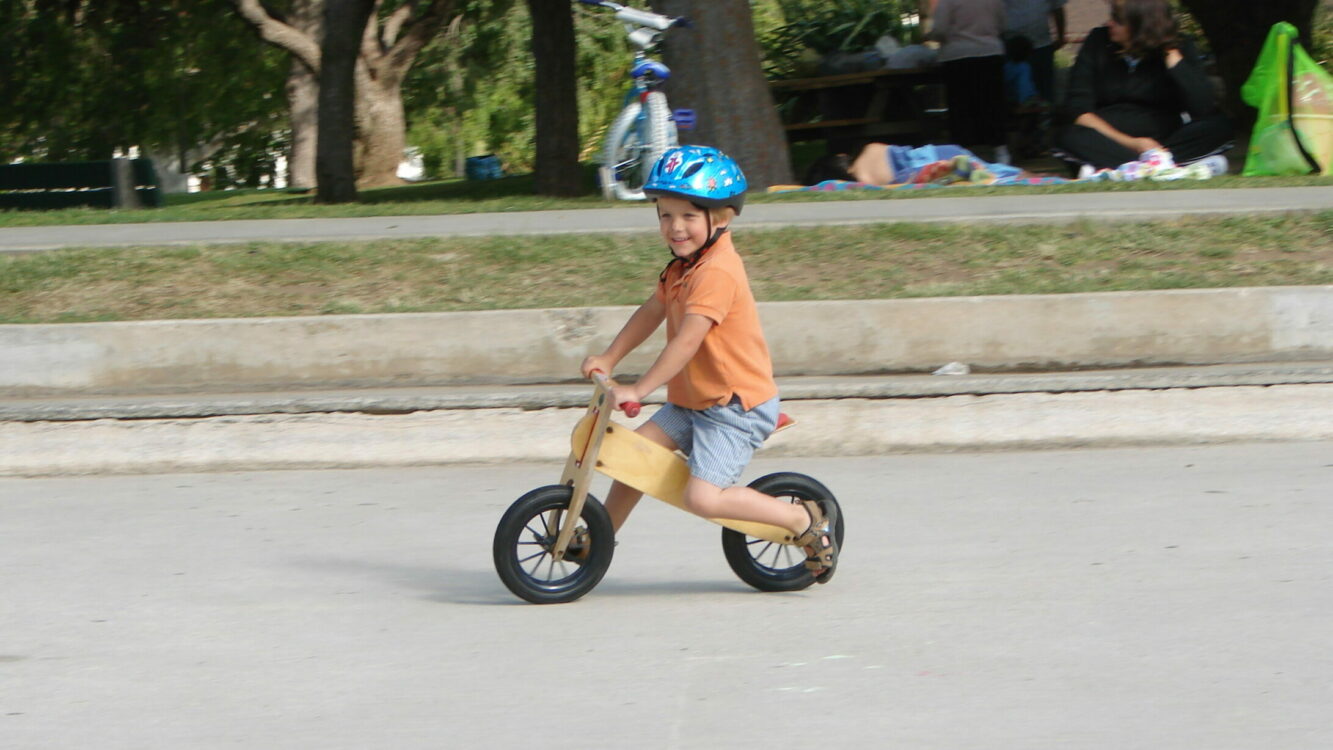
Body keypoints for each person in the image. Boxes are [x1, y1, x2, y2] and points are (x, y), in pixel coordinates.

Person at [578, 145, 839, 582]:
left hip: (734, 408)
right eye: (665, 215)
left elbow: (685, 343)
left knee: (703, 498)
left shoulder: (717, 272)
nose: (675, 227)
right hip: (695, 400)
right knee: (633, 460)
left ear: (721, 218)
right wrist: (608, 357)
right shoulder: (682, 267)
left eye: (688, 216)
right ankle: (597, 539)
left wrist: (638, 390)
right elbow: (651, 312)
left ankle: (803, 520)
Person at [1055, 0, 1232, 172]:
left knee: (1219, 126)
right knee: (1068, 136)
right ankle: (1163, 167)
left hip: (1164, 140)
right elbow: (1078, 110)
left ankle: (1131, 168)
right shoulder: (1098, 42)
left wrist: (1170, 56)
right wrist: (1133, 144)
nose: (1110, 23)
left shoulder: (1179, 46)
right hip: (1109, 139)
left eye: (1118, 20)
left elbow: (1203, 107)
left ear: (1143, 25)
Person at [928, 0, 1010, 164]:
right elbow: (1003, 25)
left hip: (958, 55)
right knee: (992, 104)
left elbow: (940, 29)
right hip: (990, 52)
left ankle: (963, 153)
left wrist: (933, 36)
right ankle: (1000, 149)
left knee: (960, 107)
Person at [803, 142, 1025, 186]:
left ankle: (955, 170)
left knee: (997, 175)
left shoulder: (863, 185)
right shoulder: (869, 149)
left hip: (913, 173)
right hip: (938, 152)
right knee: (1003, 171)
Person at [1003, 0, 1066, 103]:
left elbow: (1058, 7)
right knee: (1013, 94)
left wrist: (1060, 37)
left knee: (1045, 92)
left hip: (1042, 46)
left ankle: (1046, 116)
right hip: (1011, 47)